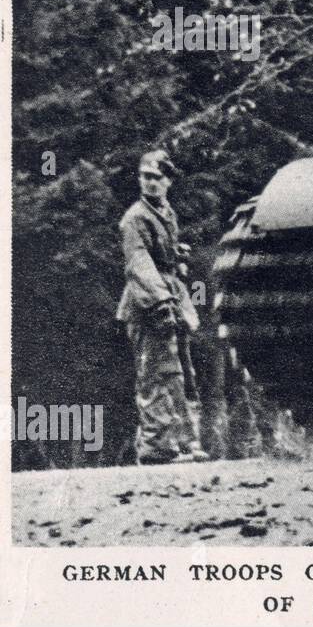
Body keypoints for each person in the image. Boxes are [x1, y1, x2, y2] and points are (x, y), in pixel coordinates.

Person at [116, 149, 208, 464]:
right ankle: (155, 448)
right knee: (154, 373)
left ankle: (184, 442)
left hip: (171, 298)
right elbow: (138, 262)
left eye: (157, 178)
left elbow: (157, 255)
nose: (150, 183)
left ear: (168, 181)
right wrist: (161, 300)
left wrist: (174, 253)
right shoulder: (135, 218)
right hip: (148, 304)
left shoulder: (165, 212)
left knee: (180, 372)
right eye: (145, 177)